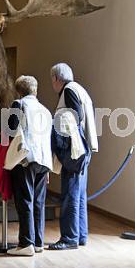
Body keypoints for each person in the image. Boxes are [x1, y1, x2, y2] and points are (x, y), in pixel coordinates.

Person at [48, 63, 98, 250]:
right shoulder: (79, 89)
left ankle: (69, 238)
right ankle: (80, 235)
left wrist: (63, 153)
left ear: (55, 79)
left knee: (70, 195)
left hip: (75, 152)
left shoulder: (68, 91)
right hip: (85, 150)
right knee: (79, 195)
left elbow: (71, 123)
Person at [6, 76, 53, 257]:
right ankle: (38, 241)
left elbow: (11, 131)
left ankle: (26, 243)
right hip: (43, 161)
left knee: (25, 200)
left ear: (19, 91)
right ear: (35, 89)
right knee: (38, 202)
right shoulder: (45, 110)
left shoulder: (18, 105)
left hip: (26, 159)